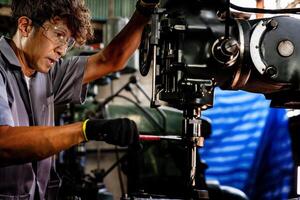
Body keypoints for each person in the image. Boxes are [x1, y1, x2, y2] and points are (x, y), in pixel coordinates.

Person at [0, 0, 159, 199]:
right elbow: (4, 143)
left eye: (68, 42)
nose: (62, 50)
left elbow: (110, 60)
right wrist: (86, 129)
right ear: (25, 26)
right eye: (59, 35)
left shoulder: (47, 74)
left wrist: (145, 8)